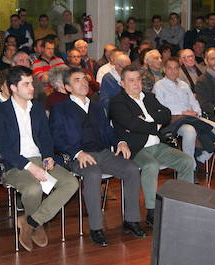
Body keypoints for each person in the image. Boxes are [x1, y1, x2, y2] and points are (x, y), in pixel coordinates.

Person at [49, 68, 145, 246]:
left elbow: (108, 131)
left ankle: (131, 220)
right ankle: (96, 228)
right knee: (93, 174)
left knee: (132, 169)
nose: (83, 83)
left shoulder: (97, 107)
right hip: (77, 156)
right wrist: (77, 153)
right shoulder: (60, 109)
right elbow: (56, 139)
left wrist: (120, 142)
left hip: (102, 153)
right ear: (68, 87)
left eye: (84, 79)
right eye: (77, 80)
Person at [0, 66, 79, 252]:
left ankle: (32, 222)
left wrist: (48, 156)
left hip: (40, 159)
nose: (32, 88)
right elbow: (3, 148)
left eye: (32, 83)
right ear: (13, 87)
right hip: (15, 164)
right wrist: (30, 166)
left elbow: (46, 137)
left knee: (71, 183)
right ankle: (36, 223)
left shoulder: (37, 108)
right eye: (26, 84)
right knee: (33, 188)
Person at [109, 65, 194, 227]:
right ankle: (152, 211)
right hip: (136, 148)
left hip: (157, 145)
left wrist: (146, 118)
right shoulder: (117, 102)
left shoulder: (149, 97)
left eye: (138, 79)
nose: (136, 83)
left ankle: (181, 204)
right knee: (151, 165)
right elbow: (132, 124)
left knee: (187, 161)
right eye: (131, 80)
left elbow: (166, 114)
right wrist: (155, 124)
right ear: (122, 83)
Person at [152, 57, 214, 165]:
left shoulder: (184, 85)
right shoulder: (159, 86)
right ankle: (189, 165)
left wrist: (197, 113)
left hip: (191, 117)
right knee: (190, 131)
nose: (173, 71)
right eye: (170, 68)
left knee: (214, 129)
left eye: (176, 68)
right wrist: (183, 113)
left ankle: (200, 158)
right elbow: (161, 108)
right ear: (164, 69)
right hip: (172, 119)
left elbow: (194, 102)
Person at [193, 48, 215, 115]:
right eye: (212, 59)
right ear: (206, 61)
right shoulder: (201, 81)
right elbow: (204, 105)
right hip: (214, 116)